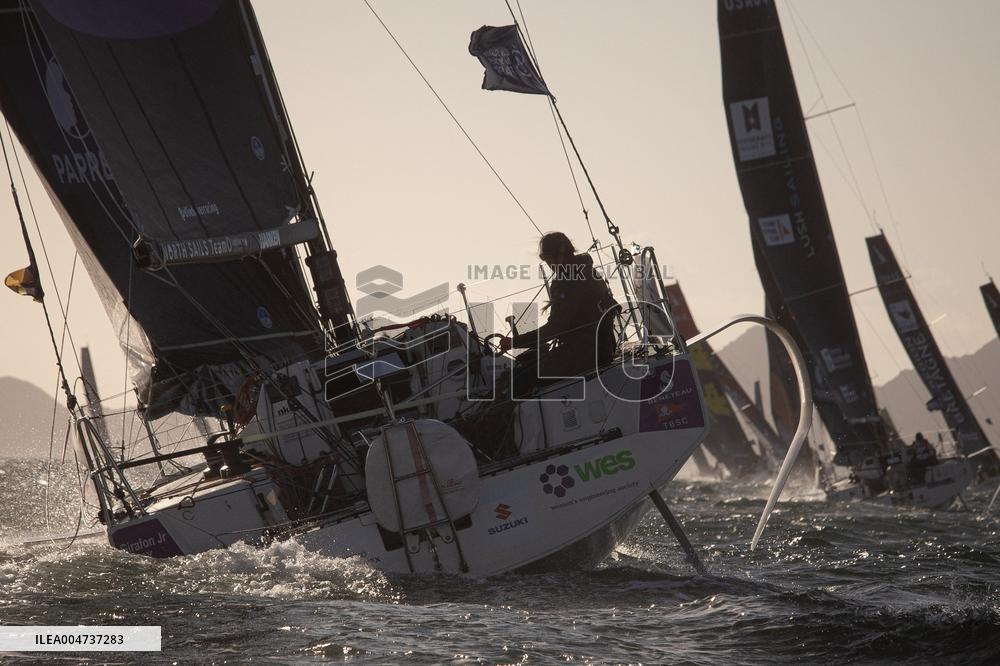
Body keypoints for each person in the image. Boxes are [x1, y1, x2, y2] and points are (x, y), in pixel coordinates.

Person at [500, 232, 619, 395]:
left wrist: (514, 342)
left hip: (585, 355)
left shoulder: (569, 281)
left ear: (560, 254)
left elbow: (554, 328)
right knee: (526, 367)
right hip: (603, 348)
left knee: (521, 379)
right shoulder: (588, 271)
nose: (548, 264)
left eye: (548, 258)